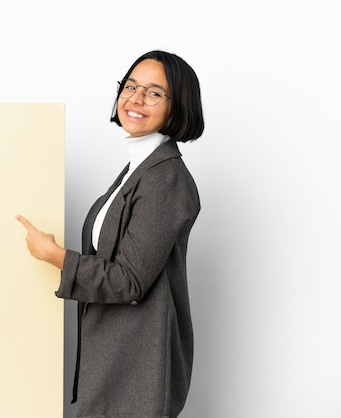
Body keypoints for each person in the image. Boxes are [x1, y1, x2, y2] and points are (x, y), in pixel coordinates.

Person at [16, 50, 204, 417]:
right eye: (130, 86)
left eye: (153, 93)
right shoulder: (138, 169)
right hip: (112, 354)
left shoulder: (167, 180)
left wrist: (55, 255)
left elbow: (128, 281)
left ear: (177, 105)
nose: (135, 99)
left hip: (139, 362)